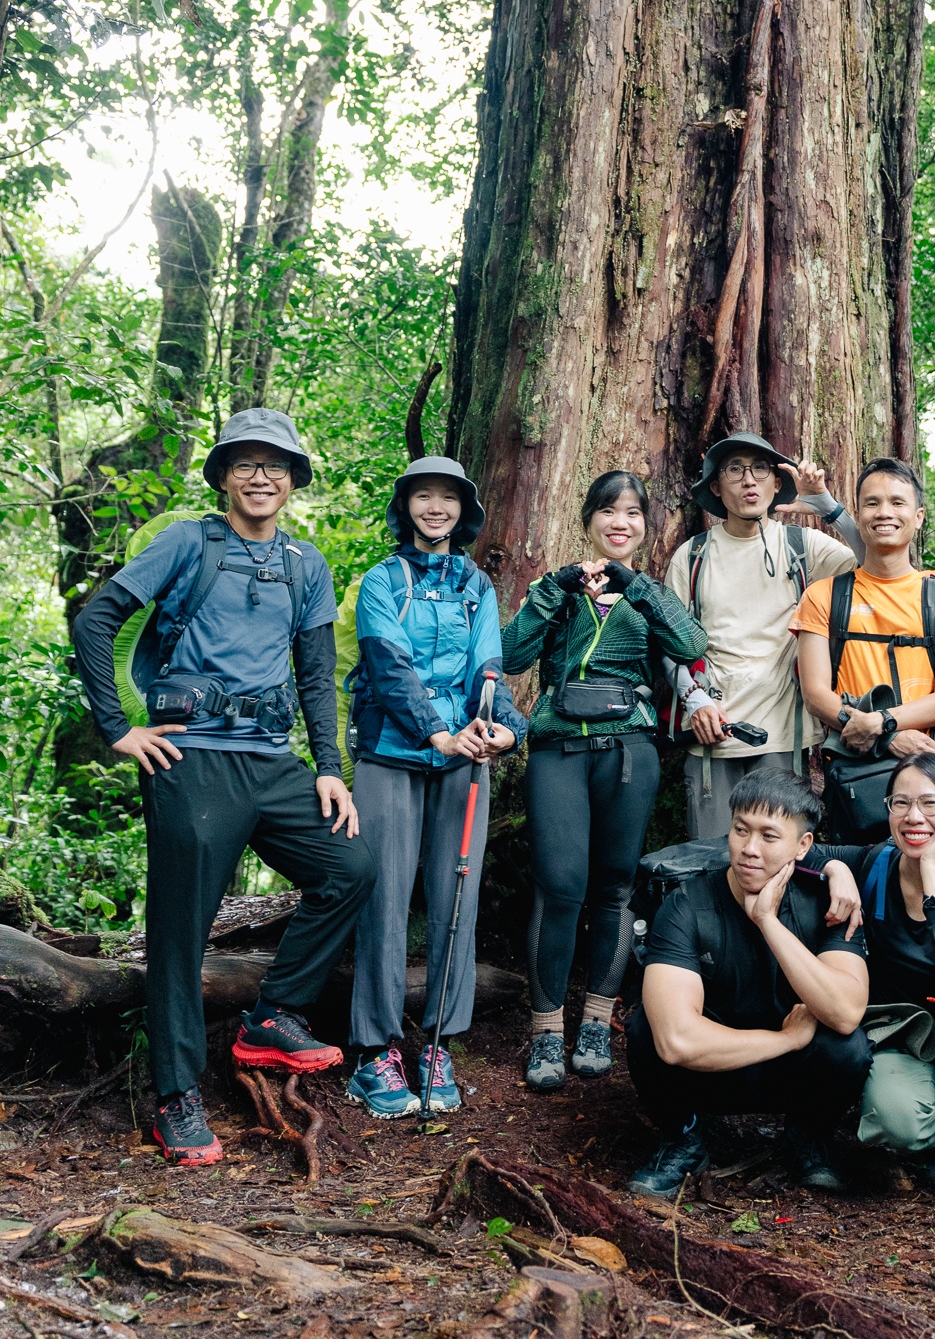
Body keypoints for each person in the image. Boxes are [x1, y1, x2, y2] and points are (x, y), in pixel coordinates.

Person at [70, 408, 375, 1166]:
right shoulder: (188, 542)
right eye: (246, 463)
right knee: (181, 930)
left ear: (294, 480)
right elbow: (97, 619)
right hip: (189, 759)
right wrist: (118, 727)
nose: (262, 476)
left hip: (273, 762)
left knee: (350, 869)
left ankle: (272, 1015)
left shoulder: (305, 565)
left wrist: (329, 767)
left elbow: (314, 676)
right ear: (225, 476)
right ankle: (175, 1096)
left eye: (277, 465)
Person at [503, 470, 711, 1092]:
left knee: (615, 888)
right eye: (608, 512)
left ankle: (597, 1021)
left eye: (632, 514)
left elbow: (692, 643)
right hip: (559, 748)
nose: (620, 523)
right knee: (560, 884)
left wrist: (638, 589)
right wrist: (555, 591)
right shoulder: (555, 588)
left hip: (629, 750)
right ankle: (545, 1029)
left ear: (645, 526)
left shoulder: (649, 592)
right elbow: (510, 655)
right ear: (588, 519)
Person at [344, 456, 528, 1116]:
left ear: (461, 512)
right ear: (407, 508)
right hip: (391, 756)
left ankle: (439, 1043)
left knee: (458, 897)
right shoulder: (381, 580)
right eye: (423, 496)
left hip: (461, 764)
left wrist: (508, 730)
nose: (435, 508)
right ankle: (375, 1050)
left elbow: (487, 671)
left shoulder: (475, 584)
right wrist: (436, 734)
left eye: (446, 498)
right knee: (384, 899)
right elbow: (388, 667)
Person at [625, 767, 871, 1196]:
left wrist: (767, 921)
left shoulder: (827, 904)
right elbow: (676, 1042)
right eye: (740, 831)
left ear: (803, 846)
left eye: (769, 836)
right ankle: (683, 1139)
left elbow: (847, 1012)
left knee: (847, 1047)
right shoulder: (688, 903)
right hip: (711, 1067)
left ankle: (807, 1138)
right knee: (648, 1028)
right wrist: (786, 1040)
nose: (749, 850)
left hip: (790, 1076)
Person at [802, 751, 935, 1220]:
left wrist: (931, 879)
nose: (913, 817)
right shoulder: (874, 865)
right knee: (893, 1121)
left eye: (929, 804)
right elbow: (799, 850)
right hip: (901, 1038)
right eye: (900, 804)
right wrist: (837, 870)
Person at [664, 434, 860, 839]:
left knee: (775, 859)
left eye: (761, 469)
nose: (749, 480)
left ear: (775, 484)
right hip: (711, 733)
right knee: (711, 863)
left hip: (783, 736)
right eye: (735, 469)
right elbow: (669, 641)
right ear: (716, 487)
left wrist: (828, 506)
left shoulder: (801, 546)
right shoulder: (693, 555)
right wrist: (692, 698)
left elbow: (877, 557)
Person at [794, 459, 935, 834]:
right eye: (873, 503)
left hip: (931, 770)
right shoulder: (825, 595)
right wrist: (888, 737)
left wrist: (880, 721)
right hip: (855, 775)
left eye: (897, 502)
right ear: (858, 515)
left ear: (919, 516)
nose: (885, 513)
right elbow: (814, 694)